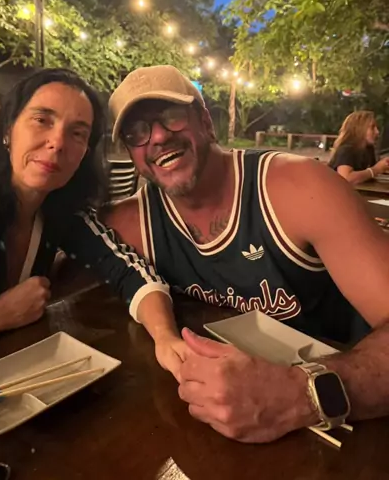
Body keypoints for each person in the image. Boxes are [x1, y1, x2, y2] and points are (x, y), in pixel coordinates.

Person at [101, 64, 389, 443]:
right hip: (214, 430)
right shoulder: (130, 224)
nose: (156, 137)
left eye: (171, 116)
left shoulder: (302, 187)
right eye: (136, 131)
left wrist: (299, 394)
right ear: (131, 154)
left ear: (206, 122)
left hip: (355, 429)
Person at [0, 69, 168, 377]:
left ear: (85, 153)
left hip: (8, 380)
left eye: (77, 133)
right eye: (42, 120)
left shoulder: (61, 209)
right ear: (8, 129)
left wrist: (168, 340)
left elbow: (128, 269)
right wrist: (0, 314)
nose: (57, 142)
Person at [328, 110, 389, 184]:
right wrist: (375, 170)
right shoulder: (347, 150)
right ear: (359, 129)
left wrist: (384, 167)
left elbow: (368, 174)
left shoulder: (368, 149)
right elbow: (346, 178)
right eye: (372, 127)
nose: (377, 132)